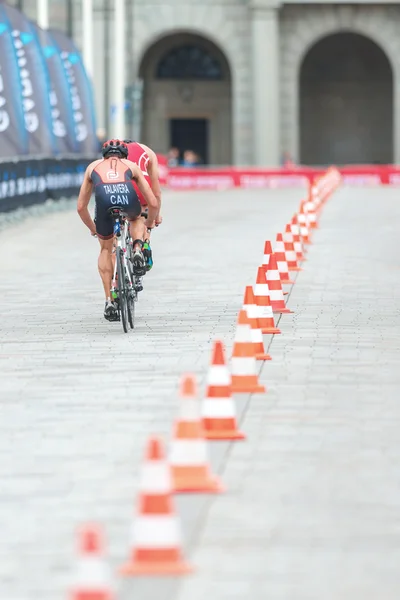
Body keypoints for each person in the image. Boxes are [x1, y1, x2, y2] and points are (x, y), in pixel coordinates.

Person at [77, 139, 158, 321]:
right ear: (125, 154)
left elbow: (81, 206)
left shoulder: (93, 167)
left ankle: (109, 301)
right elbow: (152, 201)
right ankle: (137, 247)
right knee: (136, 217)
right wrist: (149, 222)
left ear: (103, 155)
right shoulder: (130, 165)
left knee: (106, 249)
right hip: (128, 198)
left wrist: (93, 228)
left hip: (104, 203)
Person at [123, 139, 163, 270]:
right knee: (141, 214)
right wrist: (156, 216)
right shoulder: (148, 151)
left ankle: (115, 250)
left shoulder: (113, 152)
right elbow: (156, 192)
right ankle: (140, 245)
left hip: (116, 187)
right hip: (140, 186)